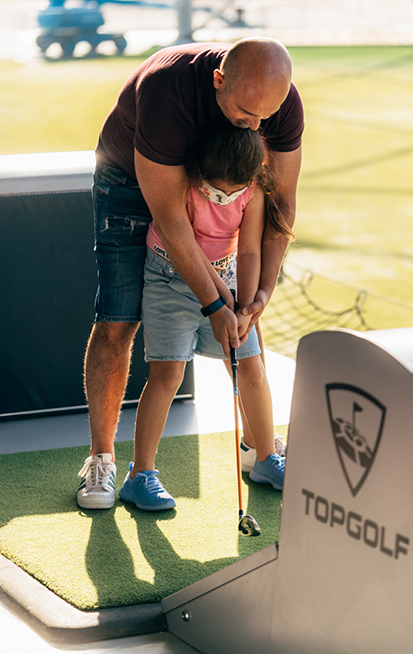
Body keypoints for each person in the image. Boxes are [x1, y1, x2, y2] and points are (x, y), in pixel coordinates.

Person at [77, 38, 303, 510]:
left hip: (216, 184)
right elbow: (173, 225)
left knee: (246, 340)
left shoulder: (276, 107)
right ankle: (103, 459)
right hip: (129, 179)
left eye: (266, 116)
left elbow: (280, 202)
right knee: (118, 319)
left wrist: (258, 297)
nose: (257, 125)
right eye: (246, 113)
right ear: (219, 81)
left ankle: (260, 450)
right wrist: (217, 304)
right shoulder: (169, 92)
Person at [119, 129, 293, 510]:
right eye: (216, 192)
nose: (223, 198)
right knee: (168, 374)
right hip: (170, 277)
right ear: (201, 175)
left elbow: (248, 252)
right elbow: (189, 251)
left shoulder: (252, 191)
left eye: (232, 193)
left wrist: (246, 307)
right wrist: (219, 303)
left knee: (251, 367)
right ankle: (140, 475)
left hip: (226, 281)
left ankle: (265, 457)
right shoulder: (185, 184)